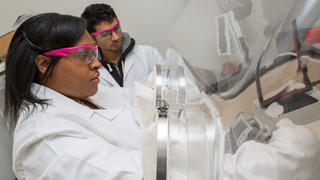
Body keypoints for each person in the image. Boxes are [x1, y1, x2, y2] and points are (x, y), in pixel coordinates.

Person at [4, 13, 145, 179]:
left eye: (94, 52)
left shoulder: (80, 90)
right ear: (44, 63)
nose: (98, 64)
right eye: (84, 55)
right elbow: (132, 174)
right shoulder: (48, 141)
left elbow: (131, 97)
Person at [81, 3, 165, 88]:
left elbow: (170, 90)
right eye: (105, 34)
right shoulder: (89, 69)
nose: (116, 37)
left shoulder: (150, 55)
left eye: (117, 28)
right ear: (92, 37)